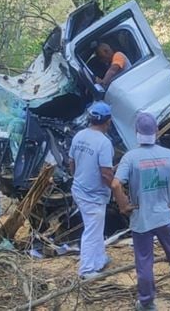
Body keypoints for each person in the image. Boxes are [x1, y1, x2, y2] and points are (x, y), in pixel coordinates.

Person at [112, 112, 170, 311]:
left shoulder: (130, 157)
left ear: (136, 133)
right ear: (157, 131)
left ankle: (147, 301)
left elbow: (116, 185)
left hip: (142, 219)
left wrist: (124, 205)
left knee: (144, 261)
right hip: (165, 217)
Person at [69, 101, 114, 279]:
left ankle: (99, 259)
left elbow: (71, 162)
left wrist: (78, 175)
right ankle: (87, 269)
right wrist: (117, 190)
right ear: (108, 121)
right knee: (92, 230)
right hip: (93, 194)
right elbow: (106, 173)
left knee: (95, 227)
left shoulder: (79, 135)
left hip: (79, 189)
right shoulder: (104, 143)